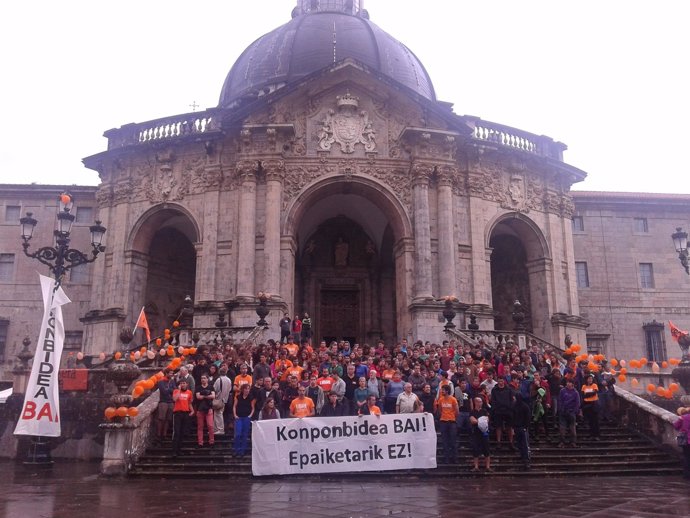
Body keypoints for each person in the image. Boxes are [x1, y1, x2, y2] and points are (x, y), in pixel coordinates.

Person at [435, 385, 460, 464]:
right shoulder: (441, 400)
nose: (442, 392)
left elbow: (457, 411)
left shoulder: (453, 399)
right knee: (444, 441)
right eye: (441, 390)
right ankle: (446, 458)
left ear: (447, 391)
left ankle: (454, 458)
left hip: (452, 421)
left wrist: (452, 417)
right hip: (443, 421)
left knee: (453, 441)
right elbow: (439, 410)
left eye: (443, 390)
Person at [171, 379, 194, 457]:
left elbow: (189, 403)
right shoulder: (176, 391)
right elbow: (174, 399)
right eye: (181, 383)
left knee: (182, 432)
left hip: (185, 413)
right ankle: (174, 451)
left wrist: (192, 410)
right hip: (177, 413)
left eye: (184, 383)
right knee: (176, 432)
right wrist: (179, 390)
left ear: (187, 384)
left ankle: (179, 450)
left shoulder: (189, 392)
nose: (182, 384)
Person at [490, 376, 515, 450]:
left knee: (509, 427)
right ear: (497, 381)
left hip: (508, 410)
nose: (500, 383)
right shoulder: (494, 390)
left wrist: (510, 408)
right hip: (498, 410)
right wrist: (494, 409)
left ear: (504, 381)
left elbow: (512, 399)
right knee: (498, 427)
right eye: (499, 381)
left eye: (502, 381)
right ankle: (498, 442)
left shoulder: (509, 389)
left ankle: (511, 443)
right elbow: (493, 400)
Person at [469, 396, 492, 472]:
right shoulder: (472, 412)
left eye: (481, 402)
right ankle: (476, 466)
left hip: (484, 432)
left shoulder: (484, 411)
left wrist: (479, 421)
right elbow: (472, 421)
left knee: (486, 449)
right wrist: (481, 421)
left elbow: (487, 420)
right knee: (475, 449)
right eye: (478, 402)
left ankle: (487, 467)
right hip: (475, 432)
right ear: (475, 402)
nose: (480, 403)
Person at [233, 383, 255, 457]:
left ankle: (242, 451)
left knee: (245, 435)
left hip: (246, 418)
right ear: (243, 389)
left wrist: (250, 416)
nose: (247, 390)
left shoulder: (251, 397)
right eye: (246, 389)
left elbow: (253, 408)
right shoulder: (238, 397)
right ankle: (236, 450)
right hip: (239, 417)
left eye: (248, 389)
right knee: (238, 434)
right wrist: (235, 415)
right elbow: (234, 406)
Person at [558, 379, 581, 447]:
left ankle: (573, 442)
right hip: (563, 411)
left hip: (571, 412)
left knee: (572, 428)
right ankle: (562, 441)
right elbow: (560, 400)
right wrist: (561, 409)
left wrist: (574, 411)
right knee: (562, 428)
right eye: (567, 382)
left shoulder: (575, 392)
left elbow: (577, 403)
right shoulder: (562, 391)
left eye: (570, 383)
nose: (568, 384)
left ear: (572, 384)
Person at [194, 374, 215, 448]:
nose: (203, 379)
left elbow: (213, 396)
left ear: (207, 379)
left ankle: (211, 441)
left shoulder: (211, 387)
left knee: (210, 425)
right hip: (200, 409)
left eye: (204, 378)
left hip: (209, 408)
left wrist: (203, 395)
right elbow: (198, 397)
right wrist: (207, 395)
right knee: (200, 426)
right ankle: (200, 442)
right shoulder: (198, 387)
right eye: (202, 378)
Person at [155, 370, 175, 443]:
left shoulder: (172, 382)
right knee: (161, 418)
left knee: (168, 419)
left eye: (172, 373)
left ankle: (164, 434)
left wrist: (169, 390)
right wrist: (170, 390)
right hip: (163, 402)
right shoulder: (161, 382)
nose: (172, 374)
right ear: (166, 374)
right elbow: (164, 391)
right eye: (171, 373)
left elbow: (174, 390)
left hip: (171, 402)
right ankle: (158, 434)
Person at [513, 394, 532, 470]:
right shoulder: (517, 406)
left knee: (524, 444)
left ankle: (526, 459)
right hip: (518, 427)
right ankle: (523, 457)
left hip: (522, 427)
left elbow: (528, 417)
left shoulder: (524, 406)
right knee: (520, 443)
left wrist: (525, 427)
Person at [213, 367, 232, 435]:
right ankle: (215, 429)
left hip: (219, 399)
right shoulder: (229, 380)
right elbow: (230, 389)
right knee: (217, 414)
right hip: (225, 399)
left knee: (218, 414)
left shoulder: (219, 379)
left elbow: (215, 389)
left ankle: (220, 429)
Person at [581, 374, 600, 440]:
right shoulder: (584, 386)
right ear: (586, 379)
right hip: (587, 404)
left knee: (596, 420)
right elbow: (583, 395)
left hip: (594, 403)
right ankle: (591, 434)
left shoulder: (594, 385)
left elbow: (595, 392)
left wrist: (588, 394)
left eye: (591, 379)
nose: (590, 380)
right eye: (589, 379)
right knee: (590, 420)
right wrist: (590, 394)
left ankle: (597, 435)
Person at [673, 406, 690, 479]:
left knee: (686, 456)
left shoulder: (683, 417)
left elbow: (676, 425)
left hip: (686, 440)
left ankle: (687, 474)